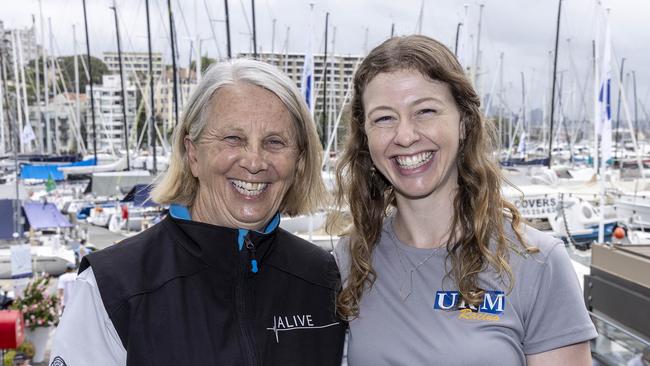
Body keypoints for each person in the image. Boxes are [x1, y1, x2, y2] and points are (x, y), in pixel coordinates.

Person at [50, 59, 346, 365]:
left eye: (274, 142)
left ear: (298, 161)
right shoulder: (114, 288)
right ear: (193, 153)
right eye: (234, 138)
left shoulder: (323, 280)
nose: (255, 161)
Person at [332, 35, 597, 365]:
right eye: (384, 118)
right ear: (365, 137)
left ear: (464, 123)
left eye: (425, 111)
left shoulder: (537, 263)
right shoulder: (351, 260)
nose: (405, 135)